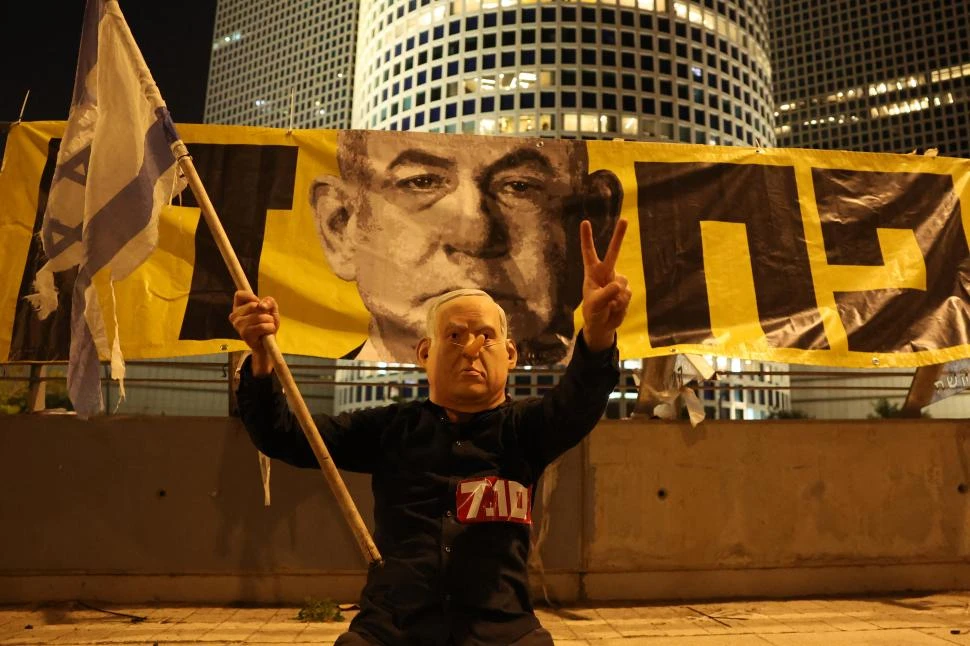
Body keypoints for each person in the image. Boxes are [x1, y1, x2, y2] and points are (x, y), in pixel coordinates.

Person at [229, 219, 631, 645]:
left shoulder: (527, 429)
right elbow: (284, 434)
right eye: (453, 336)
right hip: (391, 630)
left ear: (510, 355)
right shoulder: (390, 429)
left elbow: (582, 398)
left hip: (502, 630)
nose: (471, 348)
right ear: (425, 352)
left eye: (486, 337)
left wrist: (600, 331)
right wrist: (261, 358)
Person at [310, 130, 622, 365]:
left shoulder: (543, 420)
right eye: (421, 182)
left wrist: (598, 339)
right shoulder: (358, 425)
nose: (476, 236)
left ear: (593, 222)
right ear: (339, 226)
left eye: (520, 187)